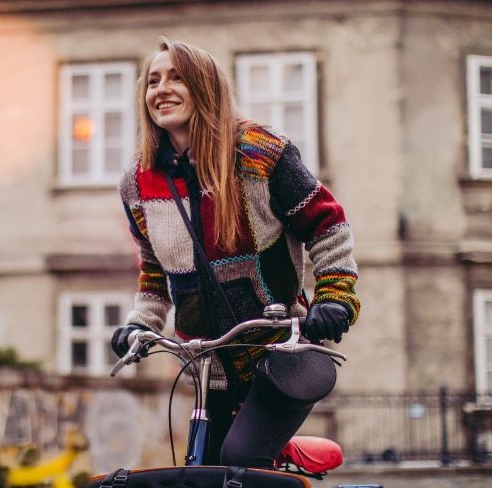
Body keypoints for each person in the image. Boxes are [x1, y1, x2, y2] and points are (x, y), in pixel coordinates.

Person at [111, 37, 360, 468]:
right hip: (209, 364)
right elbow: (154, 269)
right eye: (153, 81)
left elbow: (328, 226)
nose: (161, 89)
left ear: (205, 87)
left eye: (176, 78)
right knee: (201, 468)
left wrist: (335, 297)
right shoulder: (138, 181)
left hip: (284, 352)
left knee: (239, 458)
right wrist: (140, 324)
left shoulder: (258, 154)